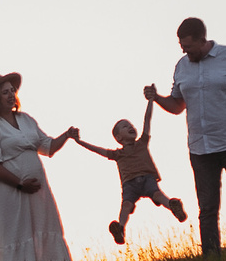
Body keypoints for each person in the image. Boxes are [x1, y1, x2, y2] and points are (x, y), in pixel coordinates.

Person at [144, 16, 226, 255]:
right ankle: (211, 260)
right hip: (200, 148)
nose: (185, 51)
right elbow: (177, 105)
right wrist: (157, 97)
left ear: (203, 39)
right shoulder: (181, 66)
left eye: (189, 47)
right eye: (182, 47)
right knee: (207, 208)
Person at [0, 72, 77, 261]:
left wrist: (67, 136)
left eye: (13, 91)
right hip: (9, 193)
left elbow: (47, 147)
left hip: (38, 192)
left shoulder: (26, 120)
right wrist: (20, 184)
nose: (11, 95)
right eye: (5, 92)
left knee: (47, 233)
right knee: (14, 237)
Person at [71, 100, 189, 245]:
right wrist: (79, 141)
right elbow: (97, 150)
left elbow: (147, 120)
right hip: (130, 185)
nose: (131, 127)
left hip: (147, 179)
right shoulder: (117, 154)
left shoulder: (142, 142)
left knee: (158, 194)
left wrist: (151, 101)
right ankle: (120, 229)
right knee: (126, 205)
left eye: (131, 125)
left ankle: (173, 207)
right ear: (119, 138)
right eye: (125, 126)